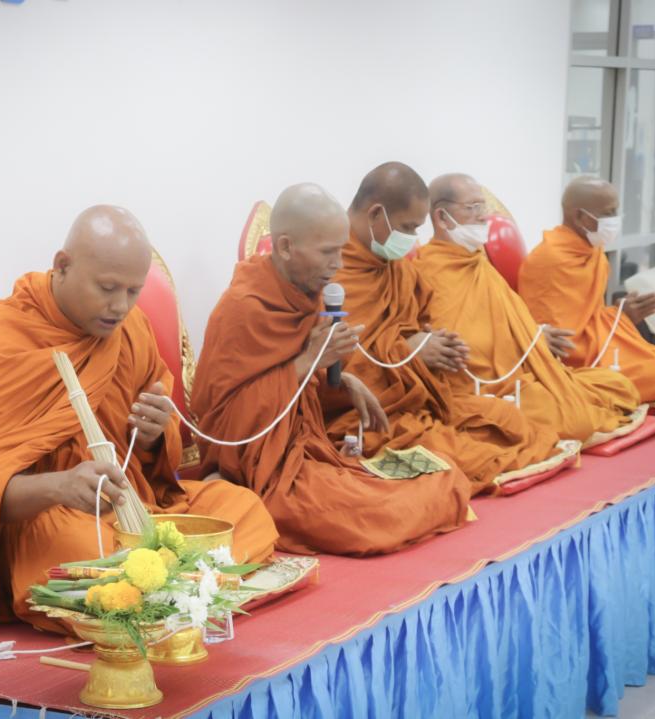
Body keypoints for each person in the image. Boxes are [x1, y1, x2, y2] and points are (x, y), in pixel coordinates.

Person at [0, 205, 279, 631]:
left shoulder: (130, 328)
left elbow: (154, 467)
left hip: (132, 509)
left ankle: (158, 585)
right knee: (84, 549)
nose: (120, 306)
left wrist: (154, 434)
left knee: (241, 508)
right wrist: (61, 486)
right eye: (107, 288)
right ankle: (180, 581)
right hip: (48, 520)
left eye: (133, 291)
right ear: (63, 265)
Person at [191, 183, 472, 556]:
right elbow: (225, 427)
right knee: (378, 517)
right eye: (327, 252)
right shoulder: (243, 308)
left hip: (308, 453)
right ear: (286, 247)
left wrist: (342, 380)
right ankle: (236, 500)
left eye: (340, 250)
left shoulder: (308, 293)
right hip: (260, 472)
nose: (338, 264)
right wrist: (309, 361)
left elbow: (303, 388)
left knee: (446, 475)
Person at [325, 162, 560, 494]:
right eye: (407, 227)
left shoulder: (399, 272)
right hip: (366, 415)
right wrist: (407, 351)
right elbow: (328, 368)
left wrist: (430, 343)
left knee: (514, 424)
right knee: (460, 462)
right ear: (376, 214)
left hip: (416, 401)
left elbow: (413, 325)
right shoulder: (329, 271)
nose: (412, 239)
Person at [412, 174, 641, 442]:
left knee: (618, 385)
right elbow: (463, 347)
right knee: (576, 420)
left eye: (483, 207)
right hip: (481, 390)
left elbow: (503, 322)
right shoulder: (425, 273)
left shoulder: (479, 264)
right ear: (441, 217)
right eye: (473, 207)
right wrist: (524, 342)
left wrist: (532, 335)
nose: (484, 216)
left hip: (519, 377)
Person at [518, 176, 655, 403]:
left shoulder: (592, 250)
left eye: (616, 211)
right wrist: (612, 325)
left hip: (606, 349)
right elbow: (557, 340)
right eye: (608, 213)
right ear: (580, 216)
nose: (615, 219)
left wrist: (622, 315)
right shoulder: (548, 261)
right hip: (580, 365)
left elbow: (590, 317)